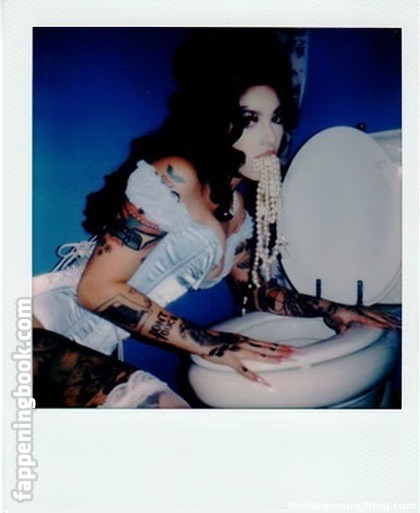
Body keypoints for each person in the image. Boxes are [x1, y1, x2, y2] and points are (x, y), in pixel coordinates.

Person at [32, 29, 400, 409]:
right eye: (250, 120)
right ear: (216, 122)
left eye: (276, 119)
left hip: (93, 342)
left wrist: (333, 308)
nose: (271, 137)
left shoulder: (236, 209)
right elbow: (95, 290)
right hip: (36, 326)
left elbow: (254, 292)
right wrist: (210, 343)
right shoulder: (176, 176)